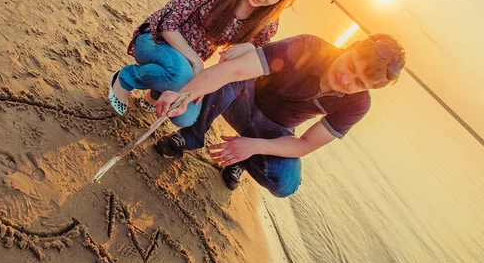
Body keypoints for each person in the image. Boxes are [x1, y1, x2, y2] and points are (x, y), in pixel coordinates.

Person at [153, 33, 406, 197]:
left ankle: (241, 159)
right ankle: (191, 136)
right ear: (350, 47)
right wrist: (184, 95)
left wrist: (253, 146)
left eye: (359, 82)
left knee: (287, 182)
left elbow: (305, 144)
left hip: (273, 129)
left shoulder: (357, 105)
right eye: (350, 66)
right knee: (234, 73)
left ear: (368, 88)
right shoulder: (308, 47)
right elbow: (233, 70)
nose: (345, 79)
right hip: (242, 96)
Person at [108, 0, 305, 127]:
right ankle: (125, 78)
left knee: (187, 117)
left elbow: (256, 61)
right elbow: (167, 24)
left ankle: (155, 92)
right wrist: (196, 62)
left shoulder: (267, 21)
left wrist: (250, 48)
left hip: (187, 63)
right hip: (155, 39)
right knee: (179, 74)